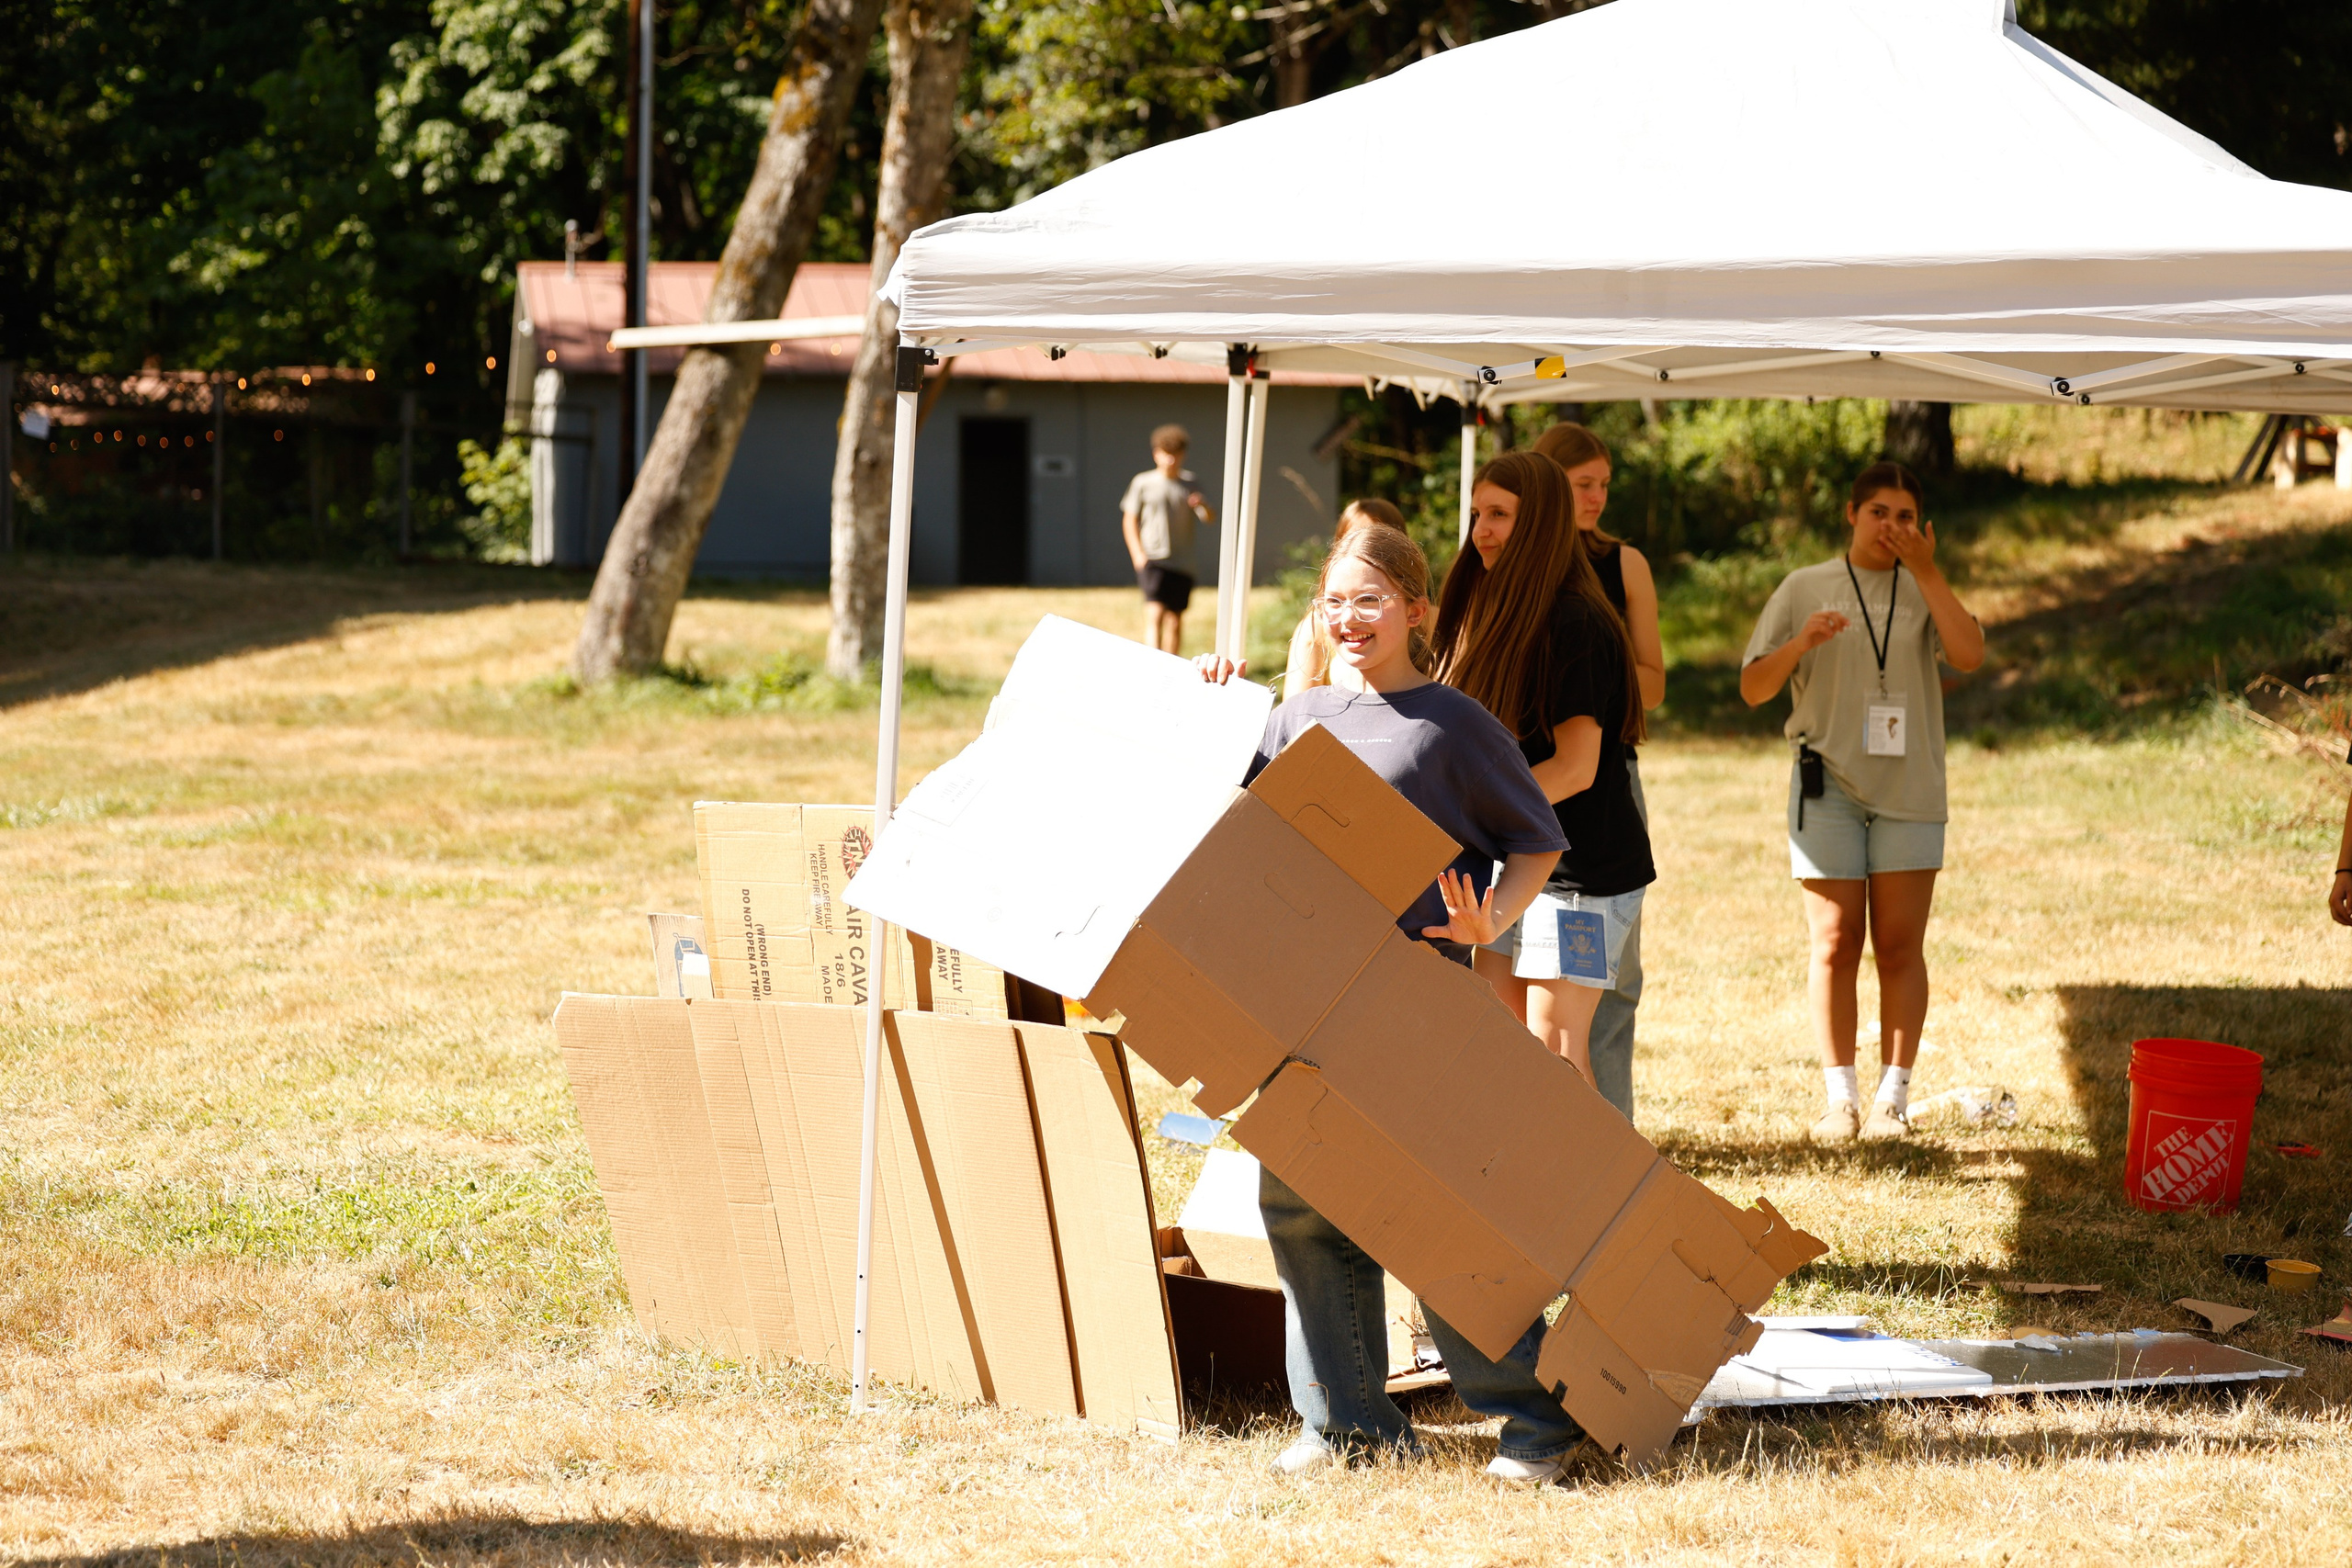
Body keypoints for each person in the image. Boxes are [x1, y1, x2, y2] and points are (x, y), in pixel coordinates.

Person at [1197, 523, 1587, 1487]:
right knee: (1297, 1206)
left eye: (1368, 601)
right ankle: (1349, 1425)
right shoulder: (1296, 717)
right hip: (1302, 994)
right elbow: (1228, 817)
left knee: (1428, 1213)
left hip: (1412, 998)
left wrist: (1488, 919)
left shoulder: (1453, 726)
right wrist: (1207, 705)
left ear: (1416, 609)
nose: (1349, 619)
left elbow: (1535, 838)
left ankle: (1538, 1420)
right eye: (1334, 603)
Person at [1738, 461, 1985, 1144]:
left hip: (1910, 790)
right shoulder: (1804, 586)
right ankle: (1839, 1098)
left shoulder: (1924, 586)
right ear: (1851, 515)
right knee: (1835, 942)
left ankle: (1892, 1100)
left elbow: (1967, 653)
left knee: (1901, 946)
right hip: (1829, 788)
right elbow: (1754, 687)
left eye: (1905, 515)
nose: (1891, 527)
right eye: (1878, 511)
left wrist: (1930, 574)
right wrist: (1801, 642)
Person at [1432, 451, 1654, 1096]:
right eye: (1477, 514)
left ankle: (1588, 1195)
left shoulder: (1574, 620)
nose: (1481, 531)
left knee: (1554, 1053)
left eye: (1499, 514)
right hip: (1514, 864)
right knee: (1501, 1045)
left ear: (1541, 522)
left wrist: (1474, 816)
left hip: (1580, 878)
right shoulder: (1495, 608)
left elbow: (1577, 768)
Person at [1529, 423, 1664, 1121]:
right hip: (1536, 787)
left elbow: (1655, 681)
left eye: (1606, 484)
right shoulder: (1516, 570)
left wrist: (1591, 670)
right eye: (1585, 484)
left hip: (1604, 777)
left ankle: (1613, 1126)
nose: (1598, 498)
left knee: (1611, 978)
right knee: (1535, 994)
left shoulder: (1622, 566)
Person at [1280, 497, 1408, 694]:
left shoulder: (1433, 619)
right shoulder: (1316, 626)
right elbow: (1296, 713)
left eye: (1378, 545)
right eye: (1352, 540)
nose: (1363, 552)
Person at [1121, 423, 1211, 654]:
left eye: (1175, 454)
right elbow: (1129, 520)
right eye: (1165, 454)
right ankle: (1153, 664)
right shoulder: (1143, 483)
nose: (1170, 460)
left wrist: (1202, 504)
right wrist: (1138, 555)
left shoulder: (1190, 483)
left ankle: (1172, 667)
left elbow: (1209, 518)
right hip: (1154, 558)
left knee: (1175, 620)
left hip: (1182, 562)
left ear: (1183, 455)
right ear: (1156, 454)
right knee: (1155, 614)